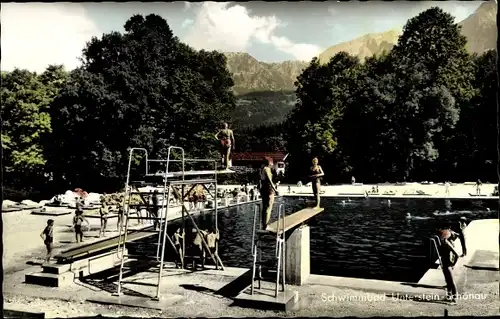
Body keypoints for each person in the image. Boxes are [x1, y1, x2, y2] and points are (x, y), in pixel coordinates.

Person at [438, 229, 460, 304]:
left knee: (451, 281)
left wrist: (453, 264)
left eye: (442, 237)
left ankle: (455, 298)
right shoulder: (443, 243)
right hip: (444, 264)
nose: (441, 238)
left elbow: (456, 255)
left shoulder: (447, 244)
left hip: (448, 264)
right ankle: (449, 295)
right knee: (447, 281)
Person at [259, 157, 279, 231]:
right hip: (269, 189)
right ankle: (266, 226)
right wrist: (275, 189)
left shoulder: (261, 169)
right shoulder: (267, 169)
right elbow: (270, 180)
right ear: (270, 162)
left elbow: (260, 180)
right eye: (272, 163)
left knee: (264, 208)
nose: (273, 164)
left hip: (263, 189)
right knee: (269, 207)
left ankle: (263, 225)